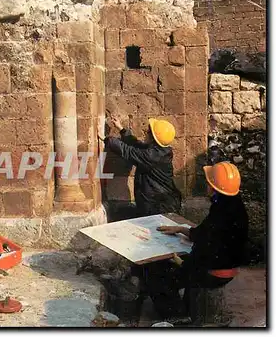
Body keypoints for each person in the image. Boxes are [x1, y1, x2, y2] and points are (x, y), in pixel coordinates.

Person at [144, 161, 249, 324]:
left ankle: (177, 316)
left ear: (214, 187)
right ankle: (186, 305)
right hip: (229, 268)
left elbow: (204, 251)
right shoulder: (233, 205)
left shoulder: (220, 212)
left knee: (156, 271)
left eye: (208, 183)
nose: (206, 186)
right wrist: (180, 229)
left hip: (213, 272)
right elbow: (205, 234)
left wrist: (181, 263)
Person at [100, 115, 182, 217]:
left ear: (153, 138)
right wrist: (121, 129)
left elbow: (128, 151)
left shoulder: (152, 156)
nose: (145, 134)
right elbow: (137, 145)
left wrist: (107, 140)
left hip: (158, 207)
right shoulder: (159, 151)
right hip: (157, 203)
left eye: (148, 132)